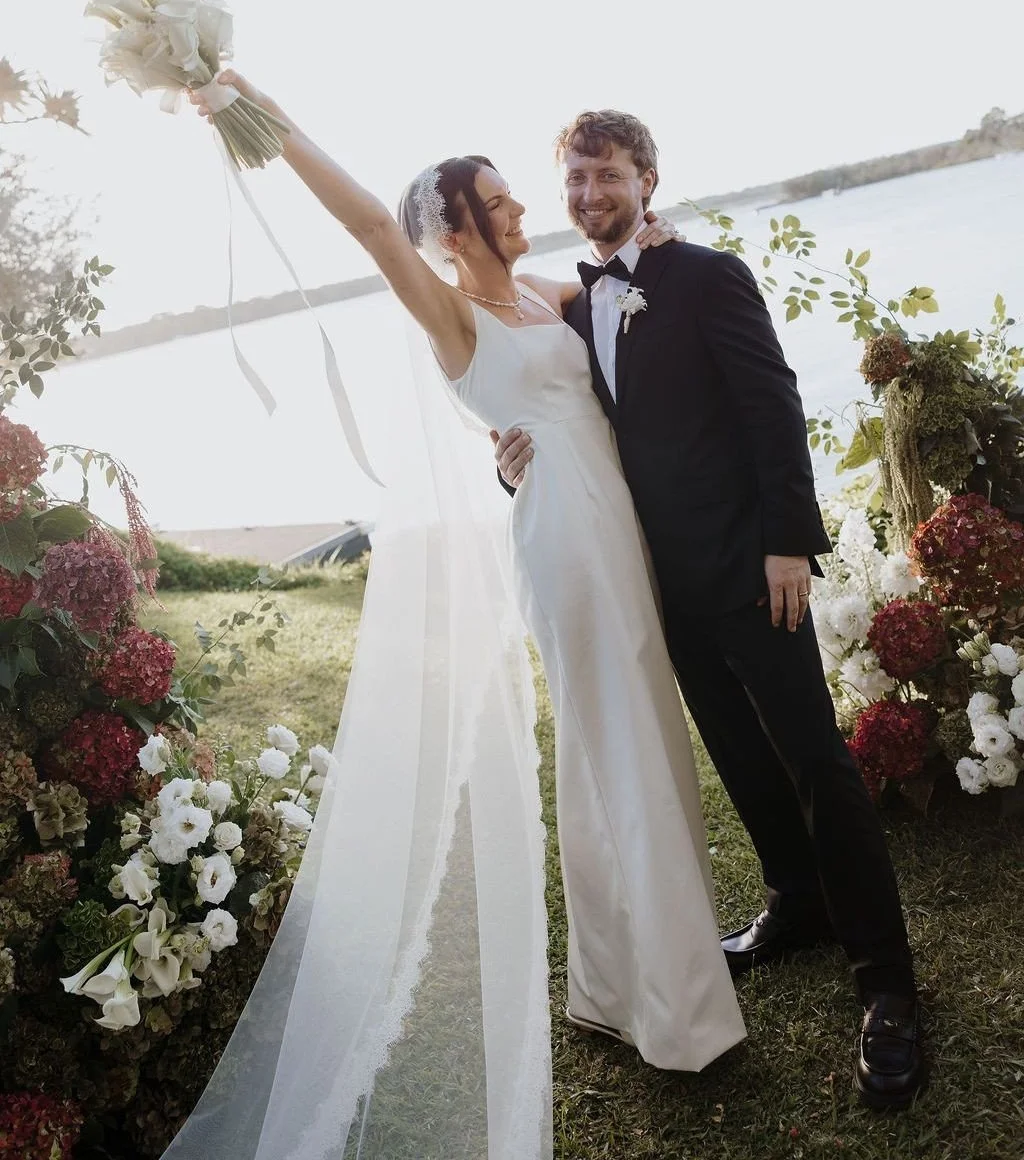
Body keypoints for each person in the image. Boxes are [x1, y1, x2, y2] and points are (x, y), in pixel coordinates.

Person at [173, 70, 746, 1158]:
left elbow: (632, 302)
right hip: (567, 542)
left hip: (614, 521)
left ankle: (617, 981)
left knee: (626, 739)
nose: (523, 206)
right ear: (450, 224)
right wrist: (246, 103)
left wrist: (661, 232)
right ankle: (676, 1009)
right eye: (499, 197)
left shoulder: (551, 293)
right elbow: (355, 219)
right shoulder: (447, 312)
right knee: (613, 736)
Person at [493, 109, 927, 1109]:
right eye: (573, 179)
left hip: (747, 565)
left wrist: (787, 543)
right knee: (735, 748)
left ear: (648, 177)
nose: (587, 194)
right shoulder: (571, 303)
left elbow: (771, 403)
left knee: (816, 758)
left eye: (604, 174)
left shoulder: (707, 276)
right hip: (654, 580)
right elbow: (562, 417)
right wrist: (514, 458)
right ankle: (796, 899)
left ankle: (889, 990)